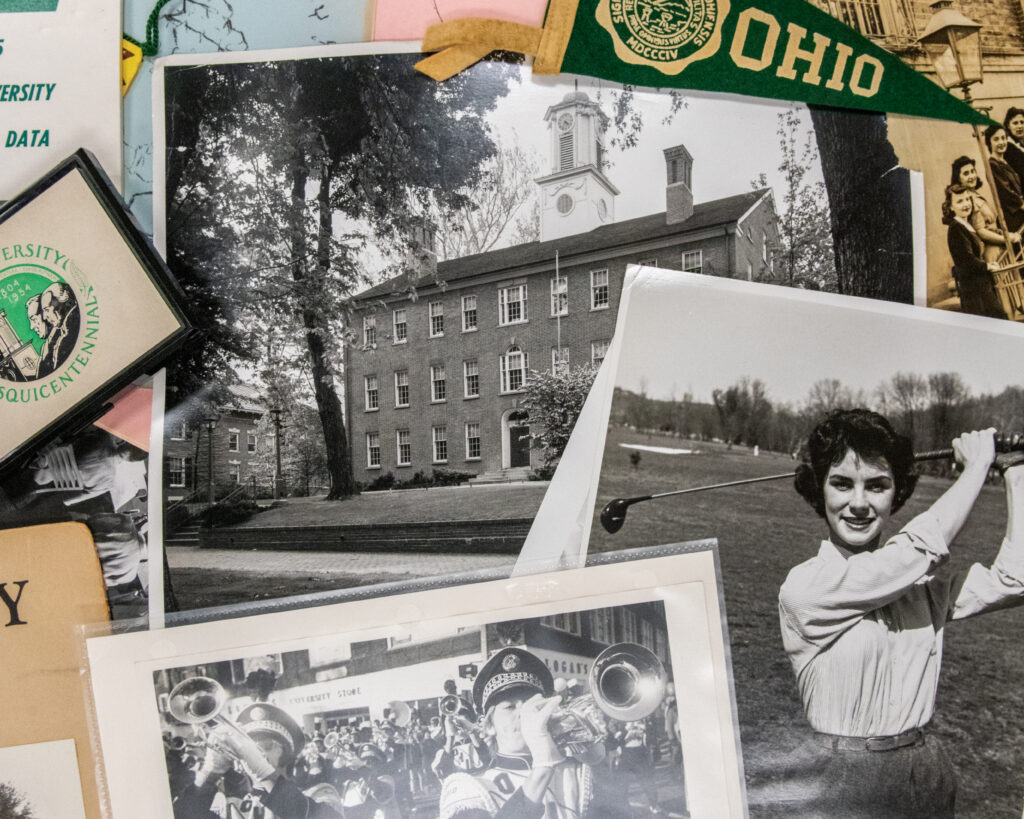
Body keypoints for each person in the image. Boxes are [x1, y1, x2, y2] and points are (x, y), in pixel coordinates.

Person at [775, 409, 1024, 817]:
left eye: (876, 486)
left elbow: (1015, 580)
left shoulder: (919, 588)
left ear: (896, 493)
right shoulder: (804, 588)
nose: (859, 503)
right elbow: (913, 552)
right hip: (841, 781)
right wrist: (977, 467)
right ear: (820, 490)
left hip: (925, 771)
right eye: (841, 483)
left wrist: (1014, 471)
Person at [439, 647, 620, 818]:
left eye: (530, 704)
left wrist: (597, 763)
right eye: (510, 707)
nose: (524, 713)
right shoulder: (471, 788)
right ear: (489, 726)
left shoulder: (578, 773)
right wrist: (542, 767)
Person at [172, 701, 343, 819]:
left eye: (267, 747)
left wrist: (265, 775)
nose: (256, 755)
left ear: (286, 751)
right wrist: (209, 775)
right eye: (250, 750)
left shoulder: (319, 791)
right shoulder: (232, 802)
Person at [942, 183, 1007, 319]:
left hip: (980, 285)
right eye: (959, 201)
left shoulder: (966, 225)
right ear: (950, 207)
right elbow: (966, 261)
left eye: (967, 199)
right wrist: (987, 265)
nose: (966, 204)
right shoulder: (956, 228)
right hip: (973, 289)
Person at [949, 155, 1020, 263]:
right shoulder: (968, 200)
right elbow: (981, 231)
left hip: (999, 245)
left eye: (973, 171)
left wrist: (1006, 234)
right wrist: (1007, 239)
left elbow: (990, 226)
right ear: (958, 178)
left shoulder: (975, 194)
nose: (972, 176)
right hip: (991, 250)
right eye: (966, 173)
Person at [985, 123, 1024, 233]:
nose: (1001, 142)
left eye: (1003, 138)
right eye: (996, 139)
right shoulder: (992, 165)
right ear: (989, 143)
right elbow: (1008, 195)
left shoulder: (1005, 162)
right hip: (1013, 219)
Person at [1003, 106, 1024, 181]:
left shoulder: (1021, 143)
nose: (1020, 126)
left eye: (1022, 122)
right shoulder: (1009, 147)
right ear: (1008, 126)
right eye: (1015, 123)